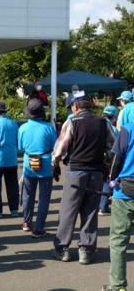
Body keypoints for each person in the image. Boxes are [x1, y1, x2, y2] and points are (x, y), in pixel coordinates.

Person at [51, 91, 116, 264]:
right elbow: (113, 148)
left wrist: (55, 165)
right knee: (90, 211)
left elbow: (59, 150)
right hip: (96, 172)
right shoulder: (104, 122)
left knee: (68, 211)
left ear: (75, 106)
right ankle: (86, 251)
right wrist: (106, 165)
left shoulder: (71, 122)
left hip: (75, 172)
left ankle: (62, 248)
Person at [101, 119, 134, 291]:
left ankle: (118, 286)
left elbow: (116, 160)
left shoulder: (129, 129)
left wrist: (112, 185)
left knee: (119, 241)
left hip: (127, 191)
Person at [18, 99, 57, 237]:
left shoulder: (22, 128)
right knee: (44, 197)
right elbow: (55, 148)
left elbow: (21, 147)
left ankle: (26, 222)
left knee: (28, 195)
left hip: (29, 163)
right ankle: (39, 227)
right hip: (45, 164)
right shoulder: (49, 128)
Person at [99, 106, 119, 216]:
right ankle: (103, 206)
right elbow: (117, 147)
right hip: (107, 159)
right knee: (107, 181)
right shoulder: (113, 129)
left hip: (94, 159)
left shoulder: (96, 124)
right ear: (114, 118)